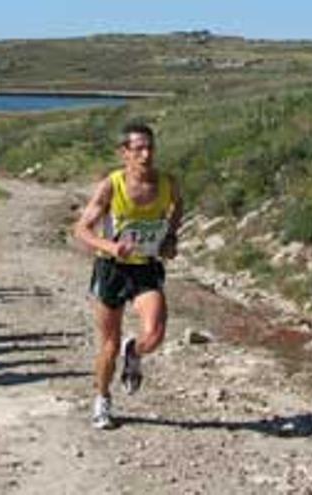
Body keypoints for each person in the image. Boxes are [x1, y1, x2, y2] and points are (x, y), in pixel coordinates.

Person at [73, 123, 183, 429]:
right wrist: (110, 246)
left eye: (150, 148)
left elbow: (177, 207)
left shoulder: (167, 183)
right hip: (112, 269)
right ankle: (102, 400)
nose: (146, 155)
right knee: (109, 343)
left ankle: (133, 353)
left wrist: (170, 238)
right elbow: (81, 229)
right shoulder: (112, 185)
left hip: (146, 267)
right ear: (125, 154)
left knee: (156, 334)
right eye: (138, 149)